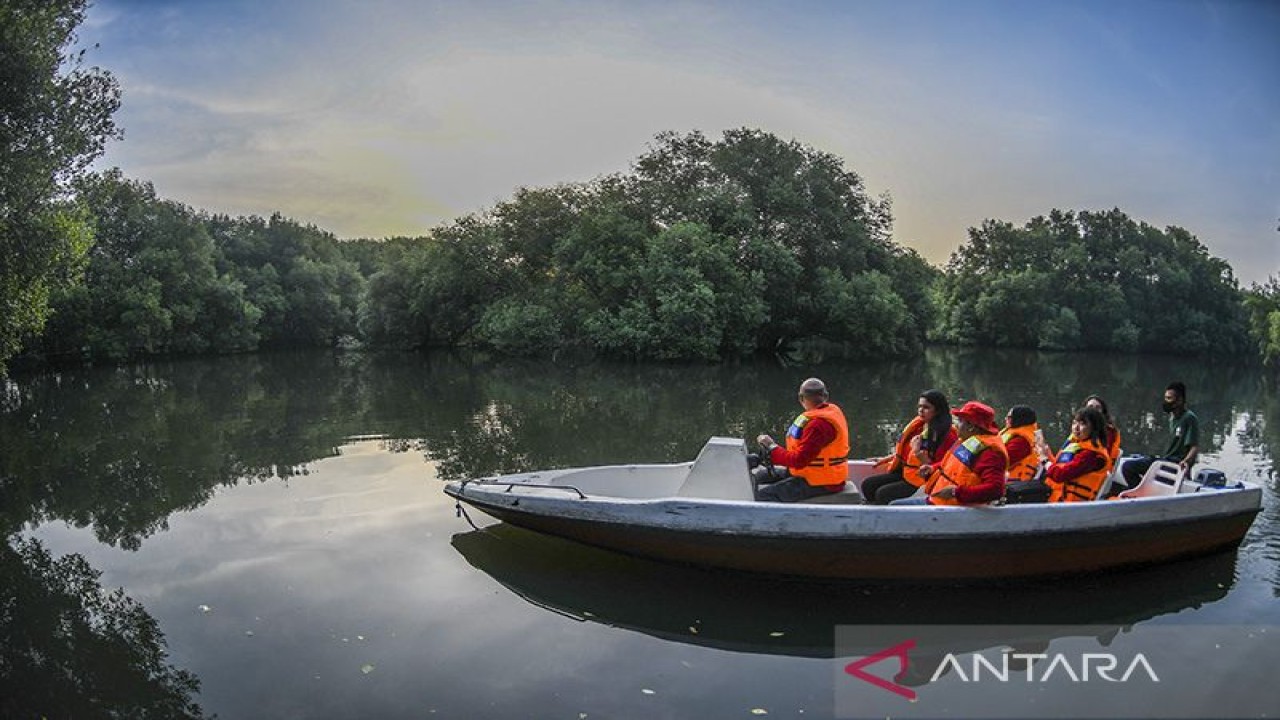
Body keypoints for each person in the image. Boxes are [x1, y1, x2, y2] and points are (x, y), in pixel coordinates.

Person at [890, 401, 1008, 506]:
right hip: (939, 502)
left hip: (952, 509)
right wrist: (932, 468)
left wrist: (954, 493)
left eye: (960, 421)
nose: (956, 425)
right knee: (893, 505)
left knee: (894, 506)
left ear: (971, 426)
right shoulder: (968, 441)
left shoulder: (989, 454)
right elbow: (953, 464)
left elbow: (995, 490)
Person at [754, 377, 850, 502]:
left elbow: (799, 460)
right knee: (759, 476)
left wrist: (772, 447)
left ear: (801, 398)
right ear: (826, 396)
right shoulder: (830, 413)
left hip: (822, 481)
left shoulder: (817, 426)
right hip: (811, 473)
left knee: (763, 496)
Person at [859, 390, 958, 505]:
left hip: (921, 480)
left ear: (938, 410)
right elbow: (905, 451)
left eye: (926, 407)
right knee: (868, 485)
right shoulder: (919, 426)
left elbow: (945, 466)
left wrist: (917, 453)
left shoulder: (947, 435)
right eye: (919, 406)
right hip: (907, 473)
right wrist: (887, 458)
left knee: (882, 494)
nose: (921, 410)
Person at [1119, 381, 1200, 490]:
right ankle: (1141, 494)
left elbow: (1194, 446)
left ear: (1180, 400)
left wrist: (1186, 462)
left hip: (1175, 463)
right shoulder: (1171, 417)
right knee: (1127, 467)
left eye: (1169, 398)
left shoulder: (1189, 418)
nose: (1166, 402)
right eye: (1165, 398)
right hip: (1164, 460)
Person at [1041, 407, 1111, 502]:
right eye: (1074, 423)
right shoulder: (1077, 445)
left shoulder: (1092, 455)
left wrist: (1045, 462)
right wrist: (1047, 454)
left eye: (1082, 424)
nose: (1076, 427)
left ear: (1094, 428)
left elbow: (1060, 475)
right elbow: (1059, 467)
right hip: (1055, 495)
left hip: (1069, 505)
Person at [1001, 405, 1047, 504]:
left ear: (1018, 419)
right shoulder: (1030, 435)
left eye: (1009, 417)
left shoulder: (1021, 441)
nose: (1005, 419)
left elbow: (1002, 460)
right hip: (1015, 486)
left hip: (1017, 488)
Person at [1083, 394, 1122, 472]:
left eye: (1097, 407)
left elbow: (1100, 458)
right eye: (1090, 407)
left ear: (1103, 412)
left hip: (1094, 471)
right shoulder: (1080, 428)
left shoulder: (1108, 432)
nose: (1093, 410)